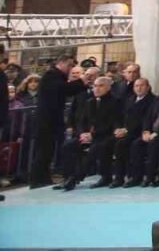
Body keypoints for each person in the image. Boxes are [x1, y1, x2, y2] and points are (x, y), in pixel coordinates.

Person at [28, 54, 87, 189]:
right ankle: (37, 179)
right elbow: (64, 89)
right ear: (61, 63)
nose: (71, 68)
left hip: (51, 120)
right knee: (43, 150)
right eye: (69, 65)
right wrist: (81, 82)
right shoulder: (51, 75)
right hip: (45, 121)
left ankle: (43, 177)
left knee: (48, 150)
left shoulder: (57, 76)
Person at [53, 76, 121, 191]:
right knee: (68, 146)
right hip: (88, 136)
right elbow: (81, 121)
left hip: (106, 136)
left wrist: (93, 135)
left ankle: (75, 179)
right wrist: (82, 134)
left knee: (96, 148)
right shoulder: (89, 102)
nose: (97, 89)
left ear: (109, 88)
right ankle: (67, 177)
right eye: (95, 86)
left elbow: (112, 124)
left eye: (101, 86)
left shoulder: (115, 101)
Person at [110, 76, 154, 187]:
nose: (139, 88)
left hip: (141, 132)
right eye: (136, 86)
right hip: (127, 132)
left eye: (142, 85)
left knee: (135, 145)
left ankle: (135, 177)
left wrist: (127, 130)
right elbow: (121, 116)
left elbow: (146, 119)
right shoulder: (130, 99)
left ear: (148, 87)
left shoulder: (152, 100)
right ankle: (118, 177)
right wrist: (119, 128)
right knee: (116, 144)